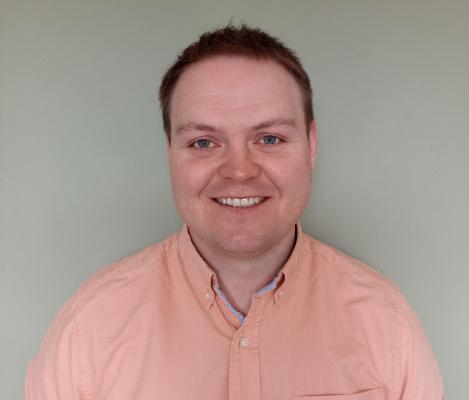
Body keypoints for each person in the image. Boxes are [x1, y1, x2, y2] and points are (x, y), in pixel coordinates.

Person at [26, 24, 444, 400]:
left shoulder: (385, 323)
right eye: (204, 143)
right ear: (170, 152)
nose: (239, 170)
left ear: (311, 145)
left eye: (270, 138)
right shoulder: (89, 327)